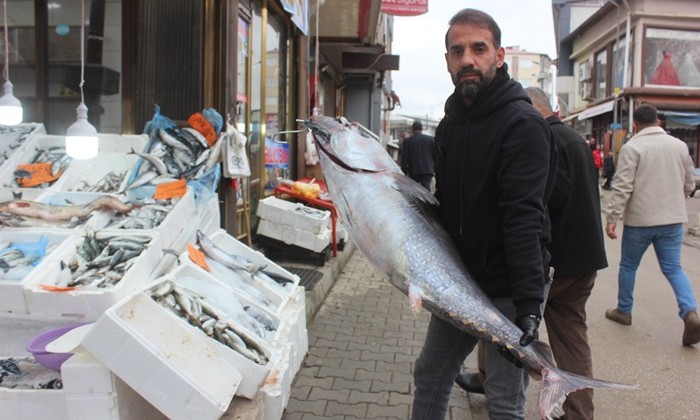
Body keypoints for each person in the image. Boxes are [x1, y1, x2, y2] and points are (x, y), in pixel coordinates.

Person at [411, 9, 556, 420]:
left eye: (479, 48)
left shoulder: (522, 123)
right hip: (458, 282)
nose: (467, 59)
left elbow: (524, 217)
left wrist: (529, 304)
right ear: (447, 61)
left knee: (504, 399)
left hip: (509, 289)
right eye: (457, 51)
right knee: (430, 376)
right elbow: (445, 207)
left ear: (499, 54)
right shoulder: (450, 124)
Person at [455, 87, 608, 420]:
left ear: (536, 108)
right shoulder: (577, 140)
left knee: (502, 320)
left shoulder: (540, 137)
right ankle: (579, 413)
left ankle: (491, 382)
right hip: (585, 258)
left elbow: (542, 199)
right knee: (572, 340)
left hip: (554, 260)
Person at [604, 104, 700, 346]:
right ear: (659, 122)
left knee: (628, 265)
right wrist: (682, 197)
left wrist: (612, 218)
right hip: (672, 219)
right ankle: (690, 312)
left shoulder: (633, 147)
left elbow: (623, 185)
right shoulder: (679, 146)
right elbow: (690, 181)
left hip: (640, 221)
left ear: (634, 124)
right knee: (674, 268)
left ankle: (624, 310)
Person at [400, 120, 435, 191]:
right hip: (427, 170)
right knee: (426, 190)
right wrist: (434, 168)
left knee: (414, 191)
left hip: (414, 171)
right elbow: (435, 155)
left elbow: (404, 159)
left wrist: (404, 172)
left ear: (412, 129)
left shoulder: (408, 141)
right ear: (421, 129)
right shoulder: (430, 139)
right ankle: (428, 202)